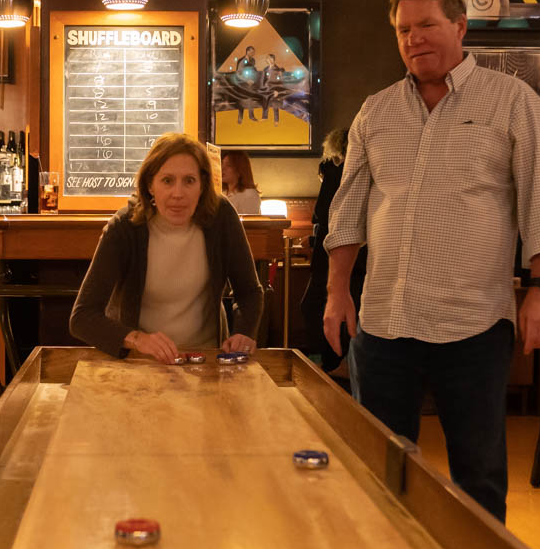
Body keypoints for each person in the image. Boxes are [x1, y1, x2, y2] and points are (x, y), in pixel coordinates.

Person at [323, 0, 540, 523]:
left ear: (460, 26)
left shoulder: (512, 101)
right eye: (403, 30)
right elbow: (348, 211)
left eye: (427, 25)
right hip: (384, 324)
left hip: (473, 326)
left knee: (477, 475)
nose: (414, 39)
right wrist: (338, 293)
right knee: (379, 470)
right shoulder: (376, 111)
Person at [71, 132, 263, 364]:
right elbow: (82, 317)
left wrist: (243, 333)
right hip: (139, 362)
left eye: (189, 181)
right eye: (167, 180)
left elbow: (249, 292)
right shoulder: (125, 227)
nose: (178, 194)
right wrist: (137, 339)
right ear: (150, 184)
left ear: (202, 185)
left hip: (205, 362)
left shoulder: (221, 216)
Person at [299, 128, 363, 373]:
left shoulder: (335, 170)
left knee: (318, 305)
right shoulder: (357, 172)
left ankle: (333, 362)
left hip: (331, 250)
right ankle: (342, 360)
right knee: (348, 304)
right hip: (357, 252)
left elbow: (323, 212)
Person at [219, 150, 262, 218]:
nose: (222, 168)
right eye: (222, 164)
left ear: (239, 169)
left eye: (228, 165)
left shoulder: (249, 195)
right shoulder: (222, 194)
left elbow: (248, 225)